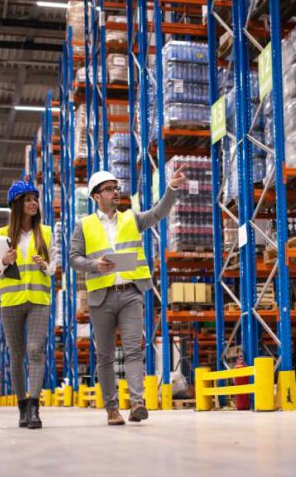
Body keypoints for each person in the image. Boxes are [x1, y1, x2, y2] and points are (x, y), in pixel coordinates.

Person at [70, 167, 186, 425]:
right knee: (105, 356)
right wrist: (94, 265)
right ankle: (112, 408)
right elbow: (73, 258)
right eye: (109, 189)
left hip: (131, 293)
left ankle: (137, 403)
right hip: (101, 298)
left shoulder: (131, 219)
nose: (115, 193)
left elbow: (159, 213)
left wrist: (172, 189)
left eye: (116, 188)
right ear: (96, 196)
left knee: (134, 349)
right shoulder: (83, 226)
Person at [0, 180, 59, 429]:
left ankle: (34, 408)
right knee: (16, 355)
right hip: (10, 302)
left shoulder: (47, 233)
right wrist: (5, 261)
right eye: (28, 199)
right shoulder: (1, 235)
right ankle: (22, 408)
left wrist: (45, 266)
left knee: (35, 350)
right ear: (17, 205)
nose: (33, 203)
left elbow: (53, 269)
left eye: (35, 199)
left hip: (39, 301)